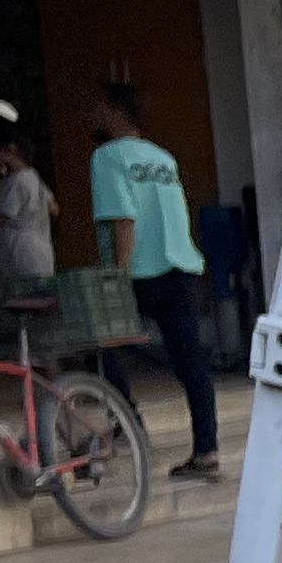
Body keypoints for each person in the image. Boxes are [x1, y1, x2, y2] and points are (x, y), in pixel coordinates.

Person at [89, 82, 217, 479]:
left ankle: (128, 421)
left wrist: (117, 276)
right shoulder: (163, 158)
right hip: (178, 266)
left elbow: (123, 218)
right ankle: (207, 451)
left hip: (138, 272)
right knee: (191, 362)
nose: (93, 116)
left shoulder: (107, 157)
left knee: (97, 345)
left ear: (113, 111)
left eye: (98, 108)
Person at [0, 115, 54, 291]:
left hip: (23, 261)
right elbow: (52, 207)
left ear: (7, 149)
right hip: (35, 256)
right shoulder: (29, 176)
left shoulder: (18, 182)